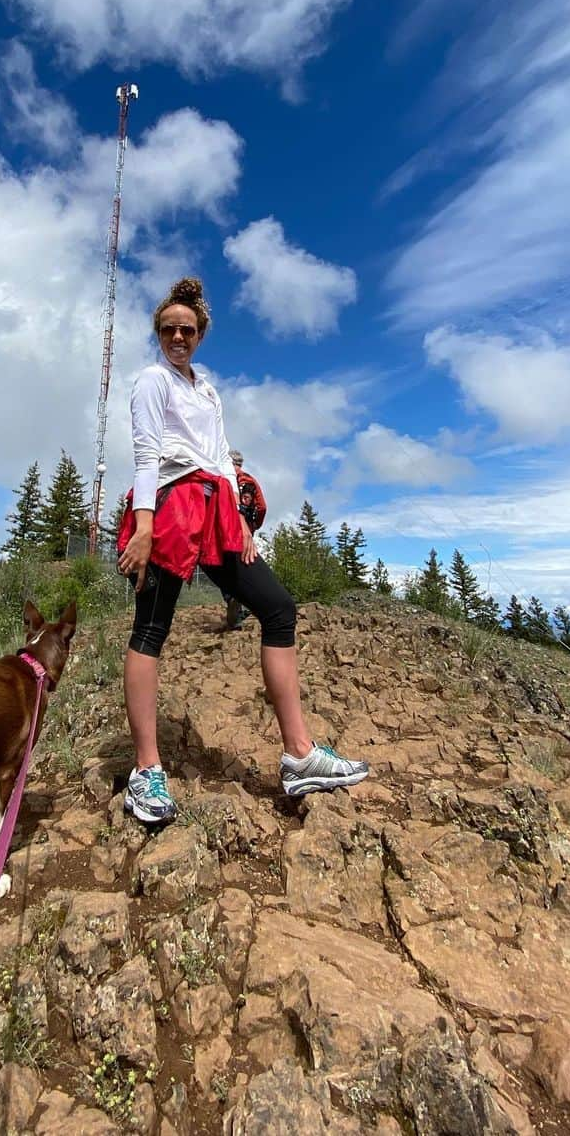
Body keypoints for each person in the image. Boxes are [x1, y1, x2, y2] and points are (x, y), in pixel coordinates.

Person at [116, 276, 369, 825]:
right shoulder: (151, 382)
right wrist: (142, 525)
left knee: (276, 607)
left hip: (215, 511)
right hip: (170, 510)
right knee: (150, 629)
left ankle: (299, 756)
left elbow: (220, 458)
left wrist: (241, 521)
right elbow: (146, 455)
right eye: (167, 329)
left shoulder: (207, 390)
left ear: (201, 334)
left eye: (186, 330)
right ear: (158, 333)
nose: (177, 337)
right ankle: (146, 769)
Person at [224, 449, 266, 630]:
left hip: (226, 529)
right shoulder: (250, 481)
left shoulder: (223, 477)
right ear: (241, 463)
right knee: (245, 563)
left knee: (225, 567)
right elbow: (262, 507)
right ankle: (246, 603)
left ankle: (233, 602)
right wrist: (254, 526)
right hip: (246, 530)